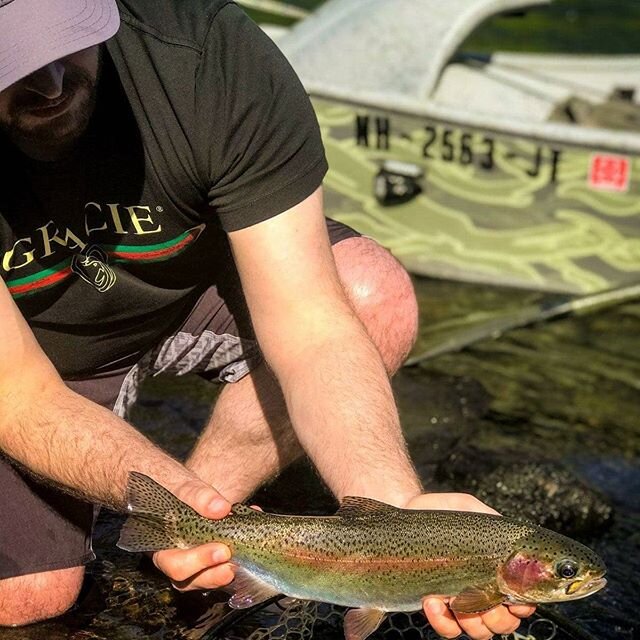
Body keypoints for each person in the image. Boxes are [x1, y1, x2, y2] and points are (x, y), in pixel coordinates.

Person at [0, 0, 534, 637]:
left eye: (67, 41)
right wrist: (166, 491)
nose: (52, 84)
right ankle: (183, 522)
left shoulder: (206, 55)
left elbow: (312, 327)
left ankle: (191, 541)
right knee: (27, 600)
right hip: (36, 353)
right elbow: (17, 393)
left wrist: (401, 514)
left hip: (192, 292)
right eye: (11, 61)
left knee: (370, 295)